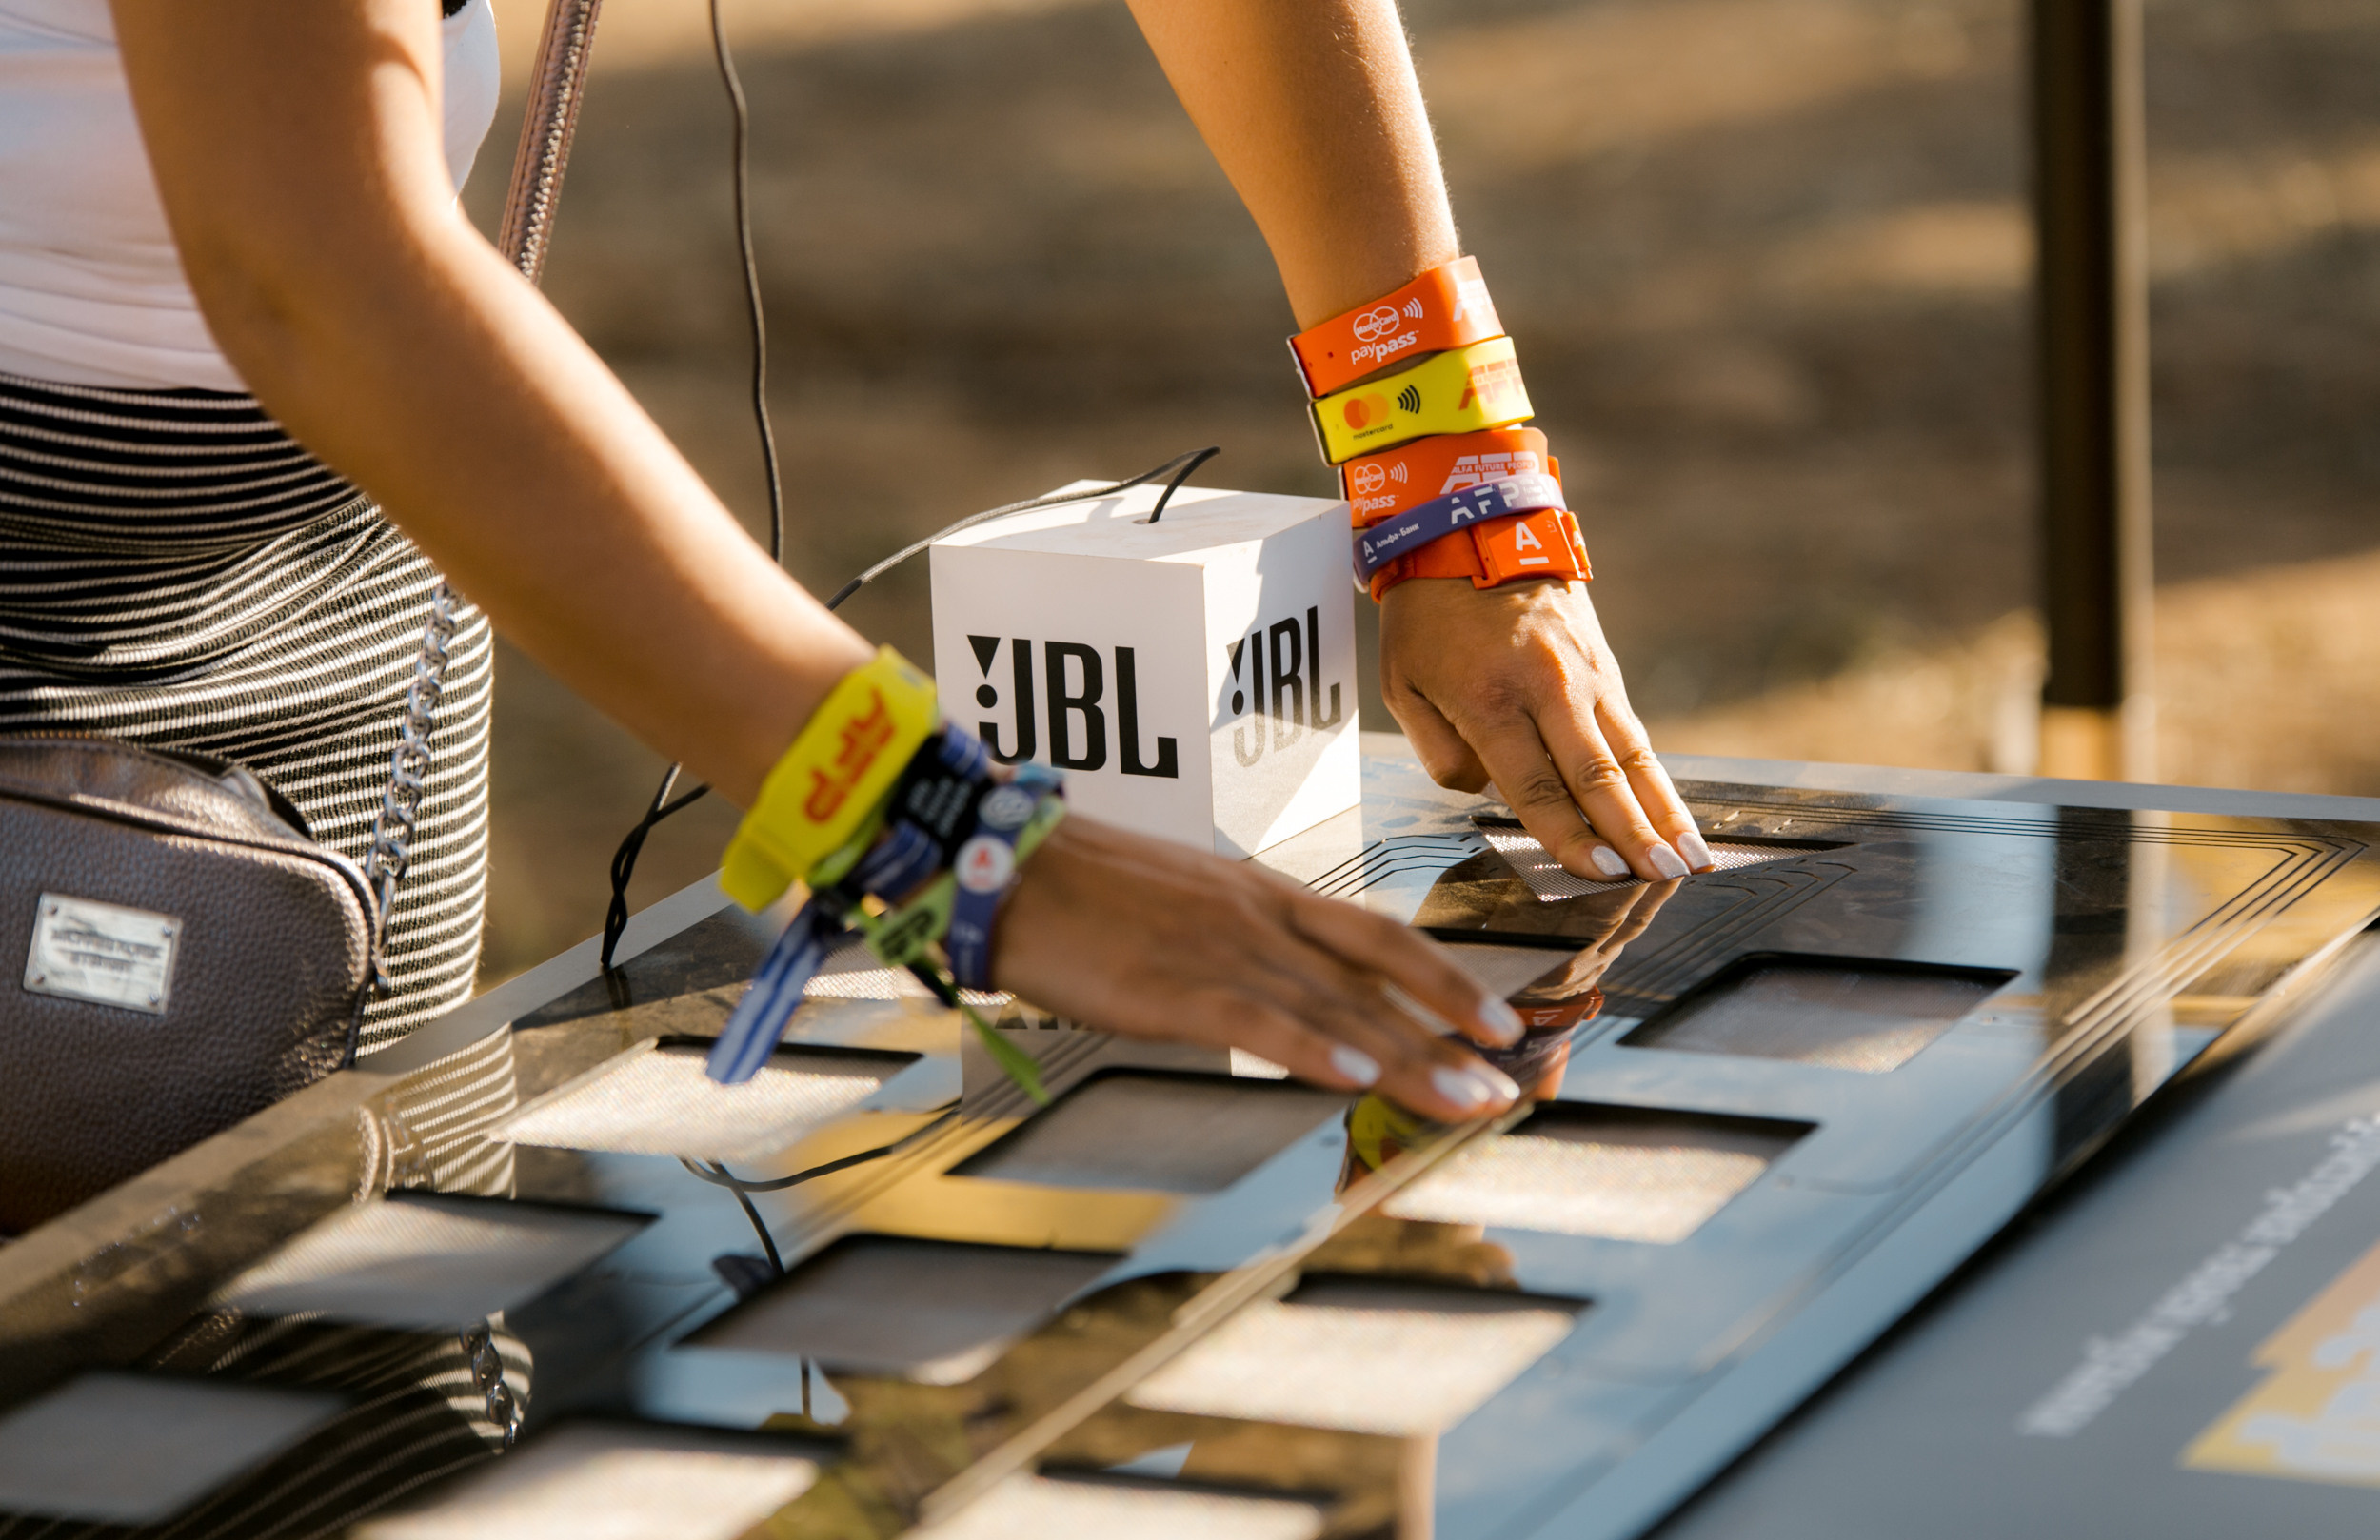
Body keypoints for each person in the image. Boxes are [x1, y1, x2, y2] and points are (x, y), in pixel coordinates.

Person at [0, 0, 1713, 1126]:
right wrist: (947, 840)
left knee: (345, 1371)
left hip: (348, 582)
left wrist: (1448, 475)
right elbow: (309, 268)